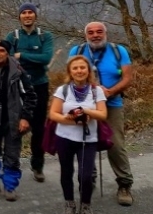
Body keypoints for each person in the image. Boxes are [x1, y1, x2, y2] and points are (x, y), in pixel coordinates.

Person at [68, 22, 134, 206]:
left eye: (99, 32)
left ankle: (124, 184)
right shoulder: (77, 51)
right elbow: (71, 75)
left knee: (116, 144)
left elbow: (127, 78)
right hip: (85, 105)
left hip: (112, 104)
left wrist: (109, 92)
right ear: (85, 35)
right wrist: (93, 91)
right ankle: (88, 179)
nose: (95, 35)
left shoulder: (119, 51)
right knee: (85, 143)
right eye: (91, 32)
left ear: (105, 33)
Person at [49, 55, 108, 214]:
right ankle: (69, 203)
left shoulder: (97, 91)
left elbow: (103, 115)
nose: (79, 71)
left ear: (88, 70)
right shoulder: (63, 90)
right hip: (65, 137)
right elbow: (53, 114)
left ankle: (86, 204)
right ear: (70, 71)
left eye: (82, 67)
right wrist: (72, 119)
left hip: (88, 139)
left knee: (86, 175)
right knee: (66, 172)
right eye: (75, 68)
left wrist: (86, 111)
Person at [0, 40, 37, 201]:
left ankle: (10, 185)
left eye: (2, 51)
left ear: (7, 53)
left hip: (12, 119)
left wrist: (25, 118)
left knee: (12, 154)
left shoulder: (17, 72)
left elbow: (31, 96)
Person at [6, 2, 54, 182]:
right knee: (15, 128)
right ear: (19, 16)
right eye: (24, 13)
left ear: (35, 16)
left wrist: (22, 56)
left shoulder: (44, 36)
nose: (27, 15)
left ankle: (37, 166)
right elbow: (8, 60)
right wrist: (32, 59)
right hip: (18, 88)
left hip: (40, 86)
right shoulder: (13, 37)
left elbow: (46, 58)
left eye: (30, 13)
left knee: (39, 129)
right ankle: (12, 166)